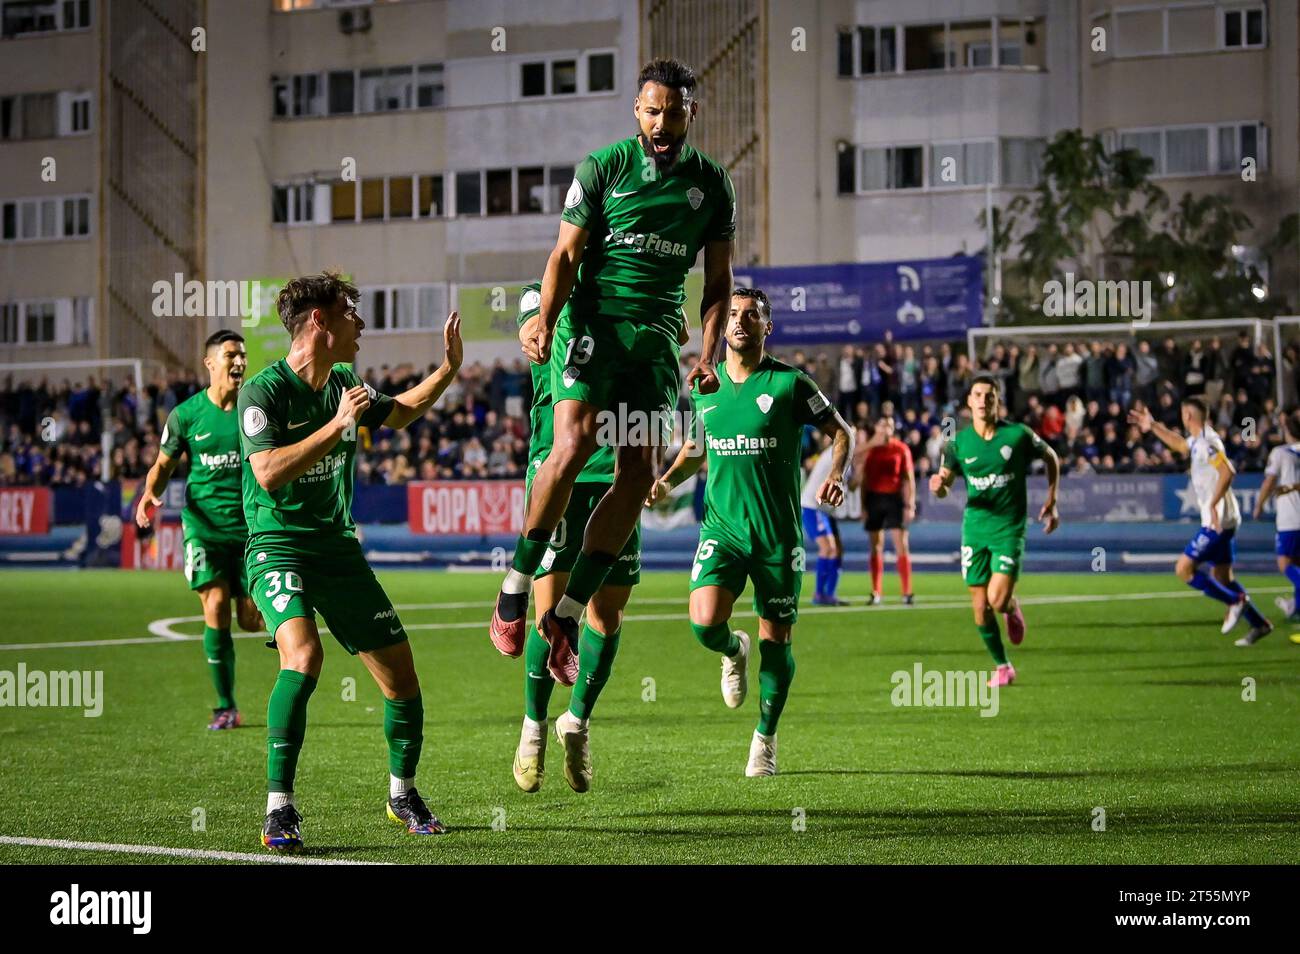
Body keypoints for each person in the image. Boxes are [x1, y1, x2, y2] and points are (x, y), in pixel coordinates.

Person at [490, 58, 736, 687]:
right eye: (652, 110)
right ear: (636, 110)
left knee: (639, 475)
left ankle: (569, 613)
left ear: (691, 114)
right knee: (570, 447)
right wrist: (544, 319)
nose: (663, 122)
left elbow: (717, 283)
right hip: (591, 327)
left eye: (675, 112)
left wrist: (707, 355)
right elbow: (565, 253)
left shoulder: (713, 185)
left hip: (652, 342)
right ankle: (516, 584)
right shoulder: (602, 169)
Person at [238, 271, 463, 851]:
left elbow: (402, 413)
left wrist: (447, 370)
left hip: (338, 549)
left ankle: (401, 793)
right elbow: (266, 471)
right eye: (350, 313)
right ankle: (279, 809)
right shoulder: (263, 392)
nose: (359, 324)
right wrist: (337, 425)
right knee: (304, 655)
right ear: (320, 321)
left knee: (403, 678)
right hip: (277, 545)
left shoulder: (343, 379)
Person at [648, 288, 852, 775]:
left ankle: (765, 737)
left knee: (777, 640)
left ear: (768, 327)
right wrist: (667, 480)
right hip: (723, 530)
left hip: (778, 536)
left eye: (751, 316)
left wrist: (836, 474)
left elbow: (841, 431)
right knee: (703, 624)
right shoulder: (705, 386)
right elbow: (698, 448)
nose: (740, 322)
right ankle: (731, 650)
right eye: (734, 314)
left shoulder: (791, 384)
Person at [134, 330, 264, 730]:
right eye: (230, 355)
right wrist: (148, 495)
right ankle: (226, 706)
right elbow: (163, 465)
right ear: (210, 363)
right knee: (216, 608)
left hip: (250, 530)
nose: (239, 362)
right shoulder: (186, 416)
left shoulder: (256, 411)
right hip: (203, 529)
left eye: (242, 355)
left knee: (249, 619)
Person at [930, 376, 1061, 686]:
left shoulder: (1017, 436)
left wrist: (1052, 501)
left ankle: (1011, 608)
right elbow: (944, 484)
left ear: (997, 401)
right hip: (974, 530)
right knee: (979, 606)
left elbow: (1051, 457)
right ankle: (1003, 666)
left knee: (998, 600)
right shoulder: (957, 443)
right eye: (978, 395)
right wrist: (938, 487)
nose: (983, 400)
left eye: (990, 395)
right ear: (969, 403)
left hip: (1009, 529)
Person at [1128, 398, 1272, 646]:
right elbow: (1181, 445)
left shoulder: (1207, 442)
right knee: (1222, 576)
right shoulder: (1198, 440)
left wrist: (1214, 503)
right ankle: (1259, 624)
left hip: (1218, 520)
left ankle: (1235, 602)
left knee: (1183, 569)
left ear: (1187, 416)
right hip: (1224, 518)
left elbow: (1228, 471)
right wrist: (1152, 426)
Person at [854, 415, 915, 605]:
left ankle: (906, 592)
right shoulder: (869, 450)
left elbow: (908, 478)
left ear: (893, 428)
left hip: (894, 498)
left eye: (889, 424)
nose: (885, 428)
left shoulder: (901, 448)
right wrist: (863, 506)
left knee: (901, 545)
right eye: (882, 424)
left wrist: (909, 504)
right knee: (875, 546)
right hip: (873, 498)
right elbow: (855, 462)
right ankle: (876, 592)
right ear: (877, 428)